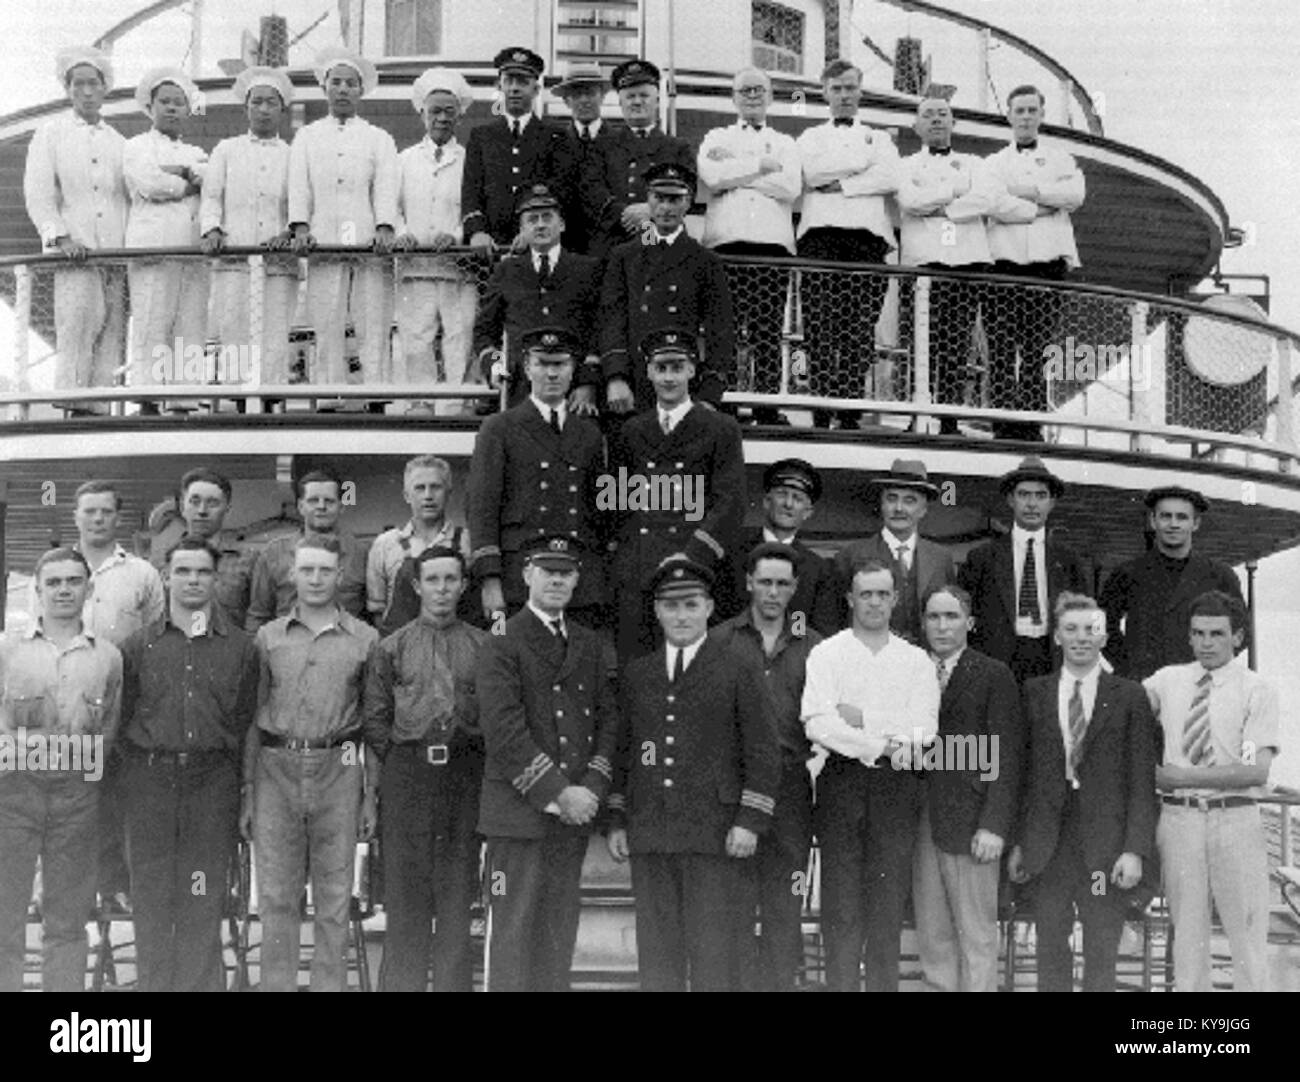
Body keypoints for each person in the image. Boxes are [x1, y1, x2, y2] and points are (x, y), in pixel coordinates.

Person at [606, 556, 780, 992]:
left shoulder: (738, 667)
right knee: (658, 954)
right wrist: (618, 817)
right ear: (656, 611)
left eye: (690, 605)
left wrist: (749, 821)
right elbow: (632, 750)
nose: (680, 616)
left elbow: (762, 750)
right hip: (652, 831)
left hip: (715, 833)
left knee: (713, 954)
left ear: (708, 608)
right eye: (670, 606)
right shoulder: (638, 674)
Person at [477, 536, 620, 992]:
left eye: (566, 572)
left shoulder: (590, 644)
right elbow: (503, 730)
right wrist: (560, 792)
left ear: (577, 579)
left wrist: (591, 790)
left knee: (558, 936)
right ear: (527, 576)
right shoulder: (502, 640)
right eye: (547, 570)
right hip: (518, 815)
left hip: (571, 819)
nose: (557, 579)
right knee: (512, 935)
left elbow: (608, 722)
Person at [240, 534, 380, 991]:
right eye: (307, 570)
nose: (315, 579)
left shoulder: (365, 639)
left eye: (325, 570)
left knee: (335, 899)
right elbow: (250, 721)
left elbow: (374, 727)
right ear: (292, 575)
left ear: (340, 576)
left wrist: (369, 797)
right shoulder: (267, 637)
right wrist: (247, 792)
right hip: (275, 765)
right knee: (277, 898)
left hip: (340, 764)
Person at [118, 537, 258, 991]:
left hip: (210, 782)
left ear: (216, 579)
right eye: (183, 571)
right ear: (166, 576)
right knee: (153, 896)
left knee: (202, 892)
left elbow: (245, 720)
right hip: (151, 782)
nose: (193, 580)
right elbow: (122, 720)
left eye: (202, 572)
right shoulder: (139, 646)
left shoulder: (240, 647)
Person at [801, 557, 939, 992]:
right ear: (851, 599)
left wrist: (861, 717)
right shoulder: (827, 653)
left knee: (885, 907)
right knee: (840, 905)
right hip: (841, 782)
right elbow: (818, 723)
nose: (874, 602)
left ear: (896, 600)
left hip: (896, 787)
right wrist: (884, 741)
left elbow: (924, 732)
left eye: (883, 594)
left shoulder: (916, 661)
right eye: (866, 594)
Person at [1008, 593, 1158, 993]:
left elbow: (1142, 782)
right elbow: (1020, 775)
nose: (1080, 638)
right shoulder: (1034, 693)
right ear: (1056, 636)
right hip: (1050, 849)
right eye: (1070, 629)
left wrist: (1134, 849)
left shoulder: (1128, 696)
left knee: (1100, 948)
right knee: (1051, 946)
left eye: (1090, 629)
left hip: (1102, 853)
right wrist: (1020, 843)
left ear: (1104, 636)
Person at [361, 547, 490, 992]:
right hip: (408, 777)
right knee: (407, 897)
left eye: (450, 579)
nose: (441, 589)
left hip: (463, 775)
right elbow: (375, 718)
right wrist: (403, 759)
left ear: (463, 585)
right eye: (432, 580)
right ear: (416, 586)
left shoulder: (482, 645)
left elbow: (493, 716)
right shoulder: (391, 647)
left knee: (456, 899)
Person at [1144, 590, 1280, 992]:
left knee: (1247, 934)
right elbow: (1119, 709)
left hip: (1235, 820)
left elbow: (1253, 770)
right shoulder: (1167, 681)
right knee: (1187, 936)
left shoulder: (1258, 690)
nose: (1206, 643)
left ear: (1237, 637)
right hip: (1179, 821)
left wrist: (1179, 777)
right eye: (1198, 633)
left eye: (1217, 634)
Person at [0, 547, 122, 992]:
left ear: (88, 589)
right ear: (37, 590)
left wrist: (80, 780)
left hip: (76, 798)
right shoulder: (7, 650)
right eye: (54, 582)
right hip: (13, 794)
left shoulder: (107, 657)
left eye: (73, 581)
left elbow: (107, 733)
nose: (64, 590)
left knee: (67, 918)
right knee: (4, 915)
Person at [710, 542, 822, 991]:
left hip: (793, 787)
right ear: (749, 583)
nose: (773, 592)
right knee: (732, 904)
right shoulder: (720, 640)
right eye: (765, 582)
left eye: (782, 584)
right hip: (733, 790)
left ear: (794, 589)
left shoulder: (815, 646)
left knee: (784, 905)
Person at [607, 329, 746, 660]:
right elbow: (619, 506)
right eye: (661, 368)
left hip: (693, 573)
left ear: (692, 370)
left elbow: (730, 502)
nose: (669, 378)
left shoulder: (720, 429)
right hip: (640, 579)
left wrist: (693, 555)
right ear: (649, 372)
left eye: (677, 367)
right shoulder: (631, 431)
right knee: (637, 678)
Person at [912, 584, 1021, 992]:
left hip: (972, 821)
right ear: (922, 623)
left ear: (970, 624)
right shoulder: (910, 669)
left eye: (951, 617)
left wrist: (994, 824)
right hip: (920, 816)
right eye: (934, 617)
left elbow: (1006, 755)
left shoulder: (992, 674)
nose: (942, 626)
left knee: (976, 934)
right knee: (933, 932)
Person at [64, 480, 164, 917]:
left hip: (126, 706)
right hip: (69, 708)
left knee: (117, 802)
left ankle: (114, 887)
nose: (97, 519)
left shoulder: (141, 573)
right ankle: (67, 891)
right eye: (89, 511)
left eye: (106, 511)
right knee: (70, 804)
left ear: (117, 517)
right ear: (76, 516)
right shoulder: (58, 568)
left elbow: (158, 640)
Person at [467, 327, 608, 628]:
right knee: (508, 663)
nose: (552, 374)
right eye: (542, 364)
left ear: (573, 370)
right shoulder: (499, 428)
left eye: (560, 364)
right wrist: (490, 581)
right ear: (527, 368)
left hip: (576, 583)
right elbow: (482, 509)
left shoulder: (590, 435)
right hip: (517, 582)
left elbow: (599, 514)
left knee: (575, 669)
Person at [794, 59, 899, 430]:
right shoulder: (809, 138)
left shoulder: (881, 138)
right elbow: (810, 173)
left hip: (868, 240)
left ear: (860, 90)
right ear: (824, 92)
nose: (843, 95)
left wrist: (841, 183)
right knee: (820, 325)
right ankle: (822, 410)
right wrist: (861, 167)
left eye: (850, 87)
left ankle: (851, 410)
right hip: (819, 238)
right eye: (836, 88)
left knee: (858, 329)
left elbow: (890, 176)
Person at [23, 46, 127, 414]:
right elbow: (38, 194)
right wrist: (60, 237)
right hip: (75, 254)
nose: (85, 91)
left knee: (110, 334)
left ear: (104, 88)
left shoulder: (119, 142)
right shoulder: (50, 133)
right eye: (77, 84)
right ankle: (73, 405)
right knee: (77, 330)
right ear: (67, 89)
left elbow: (127, 199)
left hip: (114, 256)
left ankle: (98, 409)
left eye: (92, 83)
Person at [289, 47, 398, 391]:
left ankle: (375, 392)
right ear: (325, 87)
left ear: (360, 90)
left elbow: (385, 185)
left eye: (351, 83)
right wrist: (301, 226)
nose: (343, 89)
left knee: (372, 319)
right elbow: (299, 184)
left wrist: (384, 226)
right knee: (327, 318)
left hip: (366, 240)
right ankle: (329, 392)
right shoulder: (307, 137)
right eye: (336, 82)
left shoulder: (378, 138)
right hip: (325, 239)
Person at [697, 67, 801, 426]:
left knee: (767, 331)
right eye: (745, 90)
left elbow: (790, 187)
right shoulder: (715, 136)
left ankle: (766, 407)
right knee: (724, 330)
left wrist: (738, 172)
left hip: (772, 247)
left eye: (759, 89)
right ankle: (723, 403)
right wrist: (761, 166)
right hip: (725, 245)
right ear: (734, 98)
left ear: (771, 96)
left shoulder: (786, 142)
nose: (753, 96)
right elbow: (712, 177)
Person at [981, 84, 1086, 440]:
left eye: (1031, 110)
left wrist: (1031, 192)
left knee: (1036, 348)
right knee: (1000, 348)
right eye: (1019, 110)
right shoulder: (994, 162)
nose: (1025, 116)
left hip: (1046, 264)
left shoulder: (1061, 159)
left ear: (1041, 114)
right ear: (1008, 115)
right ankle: (1002, 424)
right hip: (1004, 264)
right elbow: (992, 202)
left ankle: (1030, 425)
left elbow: (1074, 195)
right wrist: (1043, 208)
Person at [896, 96, 1004, 435]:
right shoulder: (905, 164)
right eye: (928, 115)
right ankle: (919, 414)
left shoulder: (975, 162)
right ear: (917, 126)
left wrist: (939, 206)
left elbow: (988, 199)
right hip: (922, 264)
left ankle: (949, 419)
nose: (936, 120)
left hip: (965, 262)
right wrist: (955, 193)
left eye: (943, 114)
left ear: (953, 122)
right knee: (920, 343)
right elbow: (909, 202)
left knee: (957, 345)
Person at [599, 162, 735, 414]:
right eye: (658, 198)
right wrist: (616, 378)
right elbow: (612, 319)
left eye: (674, 200)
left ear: (688, 202)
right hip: (633, 386)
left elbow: (720, 331)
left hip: (684, 386)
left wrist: (709, 395)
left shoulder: (704, 261)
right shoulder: (625, 256)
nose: (665, 208)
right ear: (647, 200)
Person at [200, 67, 296, 396]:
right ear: (246, 108)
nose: (264, 109)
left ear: (282, 109)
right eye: (257, 102)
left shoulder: (293, 154)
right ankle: (236, 402)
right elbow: (211, 196)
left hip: (277, 264)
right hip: (234, 260)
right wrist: (211, 229)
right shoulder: (226, 150)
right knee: (234, 331)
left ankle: (271, 402)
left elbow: (300, 203)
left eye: (271, 103)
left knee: (274, 334)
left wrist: (287, 233)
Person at [123, 67, 208, 412]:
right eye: (165, 102)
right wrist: (187, 181)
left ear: (188, 109)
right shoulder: (135, 146)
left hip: (190, 249)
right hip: (153, 248)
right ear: (151, 106)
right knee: (151, 321)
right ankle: (146, 398)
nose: (172, 108)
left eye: (179, 103)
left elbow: (211, 175)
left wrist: (185, 172)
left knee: (189, 323)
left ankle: (183, 399)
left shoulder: (196, 150)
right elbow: (150, 183)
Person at [958, 455, 1087, 683]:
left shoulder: (1069, 561)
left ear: (1052, 503)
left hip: (1051, 660)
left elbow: (1085, 617)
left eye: (1041, 496)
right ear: (1010, 499)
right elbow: (964, 618)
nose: (1032, 504)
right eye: (1024, 494)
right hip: (998, 664)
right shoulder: (982, 558)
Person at [472, 185, 601, 411]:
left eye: (547, 217)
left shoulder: (587, 269)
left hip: (575, 393)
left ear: (561, 224)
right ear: (522, 230)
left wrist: (588, 383)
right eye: (532, 220)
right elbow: (484, 331)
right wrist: (495, 366)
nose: (540, 224)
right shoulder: (506, 271)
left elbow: (600, 328)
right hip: (521, 387)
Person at [393, 67, 478, 409]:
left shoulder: (470, 161)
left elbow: (475, 206)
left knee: (459, 335)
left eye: (449, 111)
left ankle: (455, 403)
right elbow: (391, 206)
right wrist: (403, 234)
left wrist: (457, 235)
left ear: (459, 115)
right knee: (416, 337)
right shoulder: (403, 160)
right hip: (416, 266)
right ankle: (421, 402)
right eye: (435, 111)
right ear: (422, 114)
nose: (442, 118)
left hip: (457, 267)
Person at [1100, 486, 1244, 681]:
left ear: (1196, 523)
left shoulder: (1220, 575)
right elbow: (1101, 625)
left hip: (1200, 686)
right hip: (1144, 685)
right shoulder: (1127, 573)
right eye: (1166, 516)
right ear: (1153, 521)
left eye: (1182, 517)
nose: (1173, 524)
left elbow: (1243, 630)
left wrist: (1211, 666)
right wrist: (1129, 666)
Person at [581, 58, 695, 259]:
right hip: (611, 239)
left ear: (657, 100)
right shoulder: (601, 145)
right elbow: (592, 191)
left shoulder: (677, 148)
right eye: (630, 96)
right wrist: (627, 214)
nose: (636, 102)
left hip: (657, 233)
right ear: (620, 102)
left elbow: (688, 193)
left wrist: (652, 211)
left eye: (644, 95)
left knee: (653, 281)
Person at [834, 459, 955, 643]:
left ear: (923, 510)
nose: (898, 508)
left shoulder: (941, 558)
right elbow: (837, 619)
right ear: (881, 504)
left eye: (909, 501)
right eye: (892, 498)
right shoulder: (851, 555)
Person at [718, 458, 840, 636]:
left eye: (797, 498)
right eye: (782, 494)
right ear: (767, 501)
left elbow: (822, 636)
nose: (788, 504)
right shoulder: (732, 555)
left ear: (807, 512)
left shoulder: (818, 571)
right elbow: (717, 622)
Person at [461, 47, 563, 251]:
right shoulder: (482, 136)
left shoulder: (555, 136)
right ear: (499, 86)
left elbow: (561, 191)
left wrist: (532, 231)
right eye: (509, 81)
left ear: (536, 90)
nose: (514, 88)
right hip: (491, 248)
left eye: (523, 82)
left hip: (539, 246)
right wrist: (477, 232)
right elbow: (471, 191)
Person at [246, 469, 370, 630]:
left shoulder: (362, 554)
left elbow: (372, 616)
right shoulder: (273, 554)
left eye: (329, 501)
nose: (321, 506)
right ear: (300, 506)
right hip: (287, 650)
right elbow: (258, 616)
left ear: (341, 506)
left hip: (346, 650)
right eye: (313, 500)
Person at [367, 455, 472, 637]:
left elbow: (491, 609)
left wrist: (497, 636)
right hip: (400, 653)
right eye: (420, 488)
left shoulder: (468, 541)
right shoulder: (385, 544)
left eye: (435, 487)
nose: (428, 496)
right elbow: (377, 611)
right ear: (407, 495)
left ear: (449, 493)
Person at [163, 467, 256, 630]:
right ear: (182, 506)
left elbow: (257, 620)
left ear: (227, 508)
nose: (202, 511)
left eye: (212, 503)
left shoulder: (249, 562)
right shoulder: (161, 562)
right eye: (195, 501)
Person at [548, 61, 613, 254]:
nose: (584, 100)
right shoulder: (554, 145)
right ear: (566, 101)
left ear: (602, 96)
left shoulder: (619, 143)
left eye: (591, 93)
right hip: (566, 251)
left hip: (610, 249)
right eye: (577, 94)